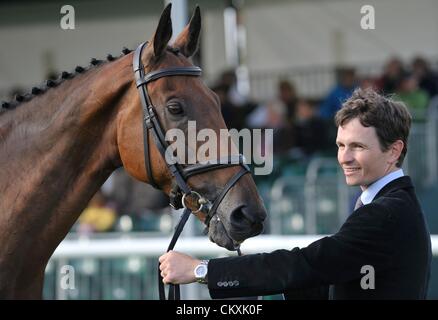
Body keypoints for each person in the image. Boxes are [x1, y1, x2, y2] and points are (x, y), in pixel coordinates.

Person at [159, 88, 432, 300]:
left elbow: (308, 265)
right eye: (340, 145)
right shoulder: (391, 205)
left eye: (357, 146)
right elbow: (326, 282)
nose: (344, 157)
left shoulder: (385, 213)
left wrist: (201, 271)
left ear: (394, 151)